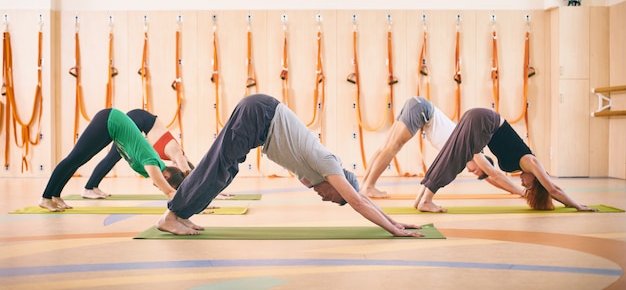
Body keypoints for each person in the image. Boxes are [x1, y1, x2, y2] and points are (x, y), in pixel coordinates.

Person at [156, 93, 424, 237]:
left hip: (258, 118)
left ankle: (181, 214)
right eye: (333, 199)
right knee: (217, 170)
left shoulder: (315, 175)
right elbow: (358, 201)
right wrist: (394, 230)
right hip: (259, 115)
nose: (325, 199)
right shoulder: (327, 164)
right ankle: (172, 216)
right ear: (338, 187)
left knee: (222, 173)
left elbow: (361, 197)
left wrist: (396, 221)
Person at [413, 107, 597, 213]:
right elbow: (553, 188)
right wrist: (576, 205)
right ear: (537, 179)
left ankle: (422, 197)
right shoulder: (530, 161)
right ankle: (426, 200)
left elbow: (494, 176)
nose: (523, 183)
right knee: (456, 157)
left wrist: (519, 192)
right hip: (485, 120)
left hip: (480, 119)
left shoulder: (522, 165)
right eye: (529, 185)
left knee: (450, 152)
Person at [360, 96, 525, 198]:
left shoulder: (463, 152)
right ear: (483, 161)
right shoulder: (475, 150)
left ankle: (365, 185)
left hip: (418, 106)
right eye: (477, 170)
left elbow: (489, 177)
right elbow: (494, 175)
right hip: (422, 110)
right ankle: (369, 186)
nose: (470, 171)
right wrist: (521, 192)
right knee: (393, 147)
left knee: (386, 146)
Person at [39, 108, 186, 212]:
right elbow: (169, 192)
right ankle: (46, 198)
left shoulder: (156, 165)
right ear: (165, 176)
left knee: (78, 161)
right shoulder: (152, 163)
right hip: (108, 120)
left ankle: (55, 196)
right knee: (73, 159)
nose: (157, 187)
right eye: (160, 186)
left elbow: (166, 186)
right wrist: (185, 200)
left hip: (112, 128)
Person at [82, 109, 193, 199]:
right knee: (112, 157)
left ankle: (93, 186)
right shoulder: (177, 153)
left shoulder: (171, 159)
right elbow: (188, 171)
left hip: (141, 121)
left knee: (113, 157)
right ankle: (89, 187)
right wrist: (195, 192)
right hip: (140, 118)